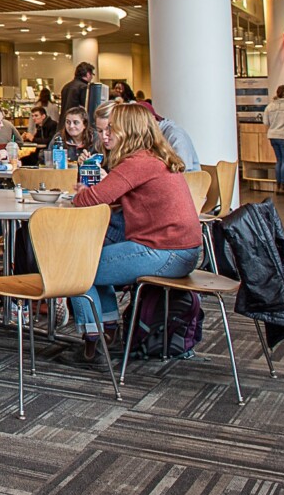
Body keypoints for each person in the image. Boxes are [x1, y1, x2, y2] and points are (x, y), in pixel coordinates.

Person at [66, 104, 202, 366]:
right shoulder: (154, 157)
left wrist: (80, 194)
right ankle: (107, 334)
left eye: (112, 129)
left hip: (166, 252)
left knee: (77, 268)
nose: (107, 135)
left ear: (127, 132)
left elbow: (93, 198)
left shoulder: (137, 162)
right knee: (98, 263)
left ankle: (94, 345)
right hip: (182, 250)